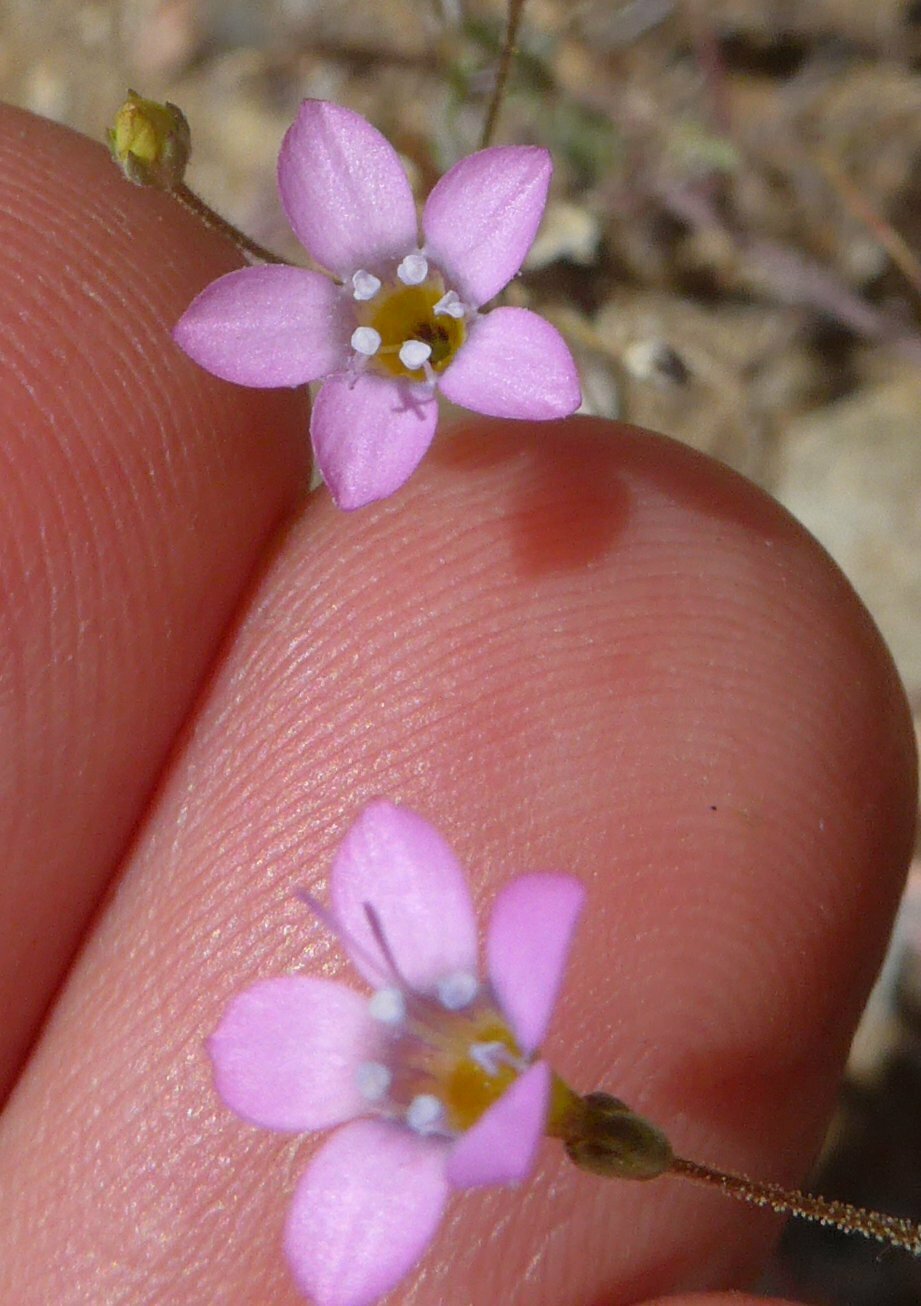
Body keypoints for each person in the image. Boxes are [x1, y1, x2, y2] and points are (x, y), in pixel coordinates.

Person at [0, 103, 914, 1305]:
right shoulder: (314, 335)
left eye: (421, 318)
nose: (410, 326)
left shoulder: (485, 319)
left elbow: (513, 345)